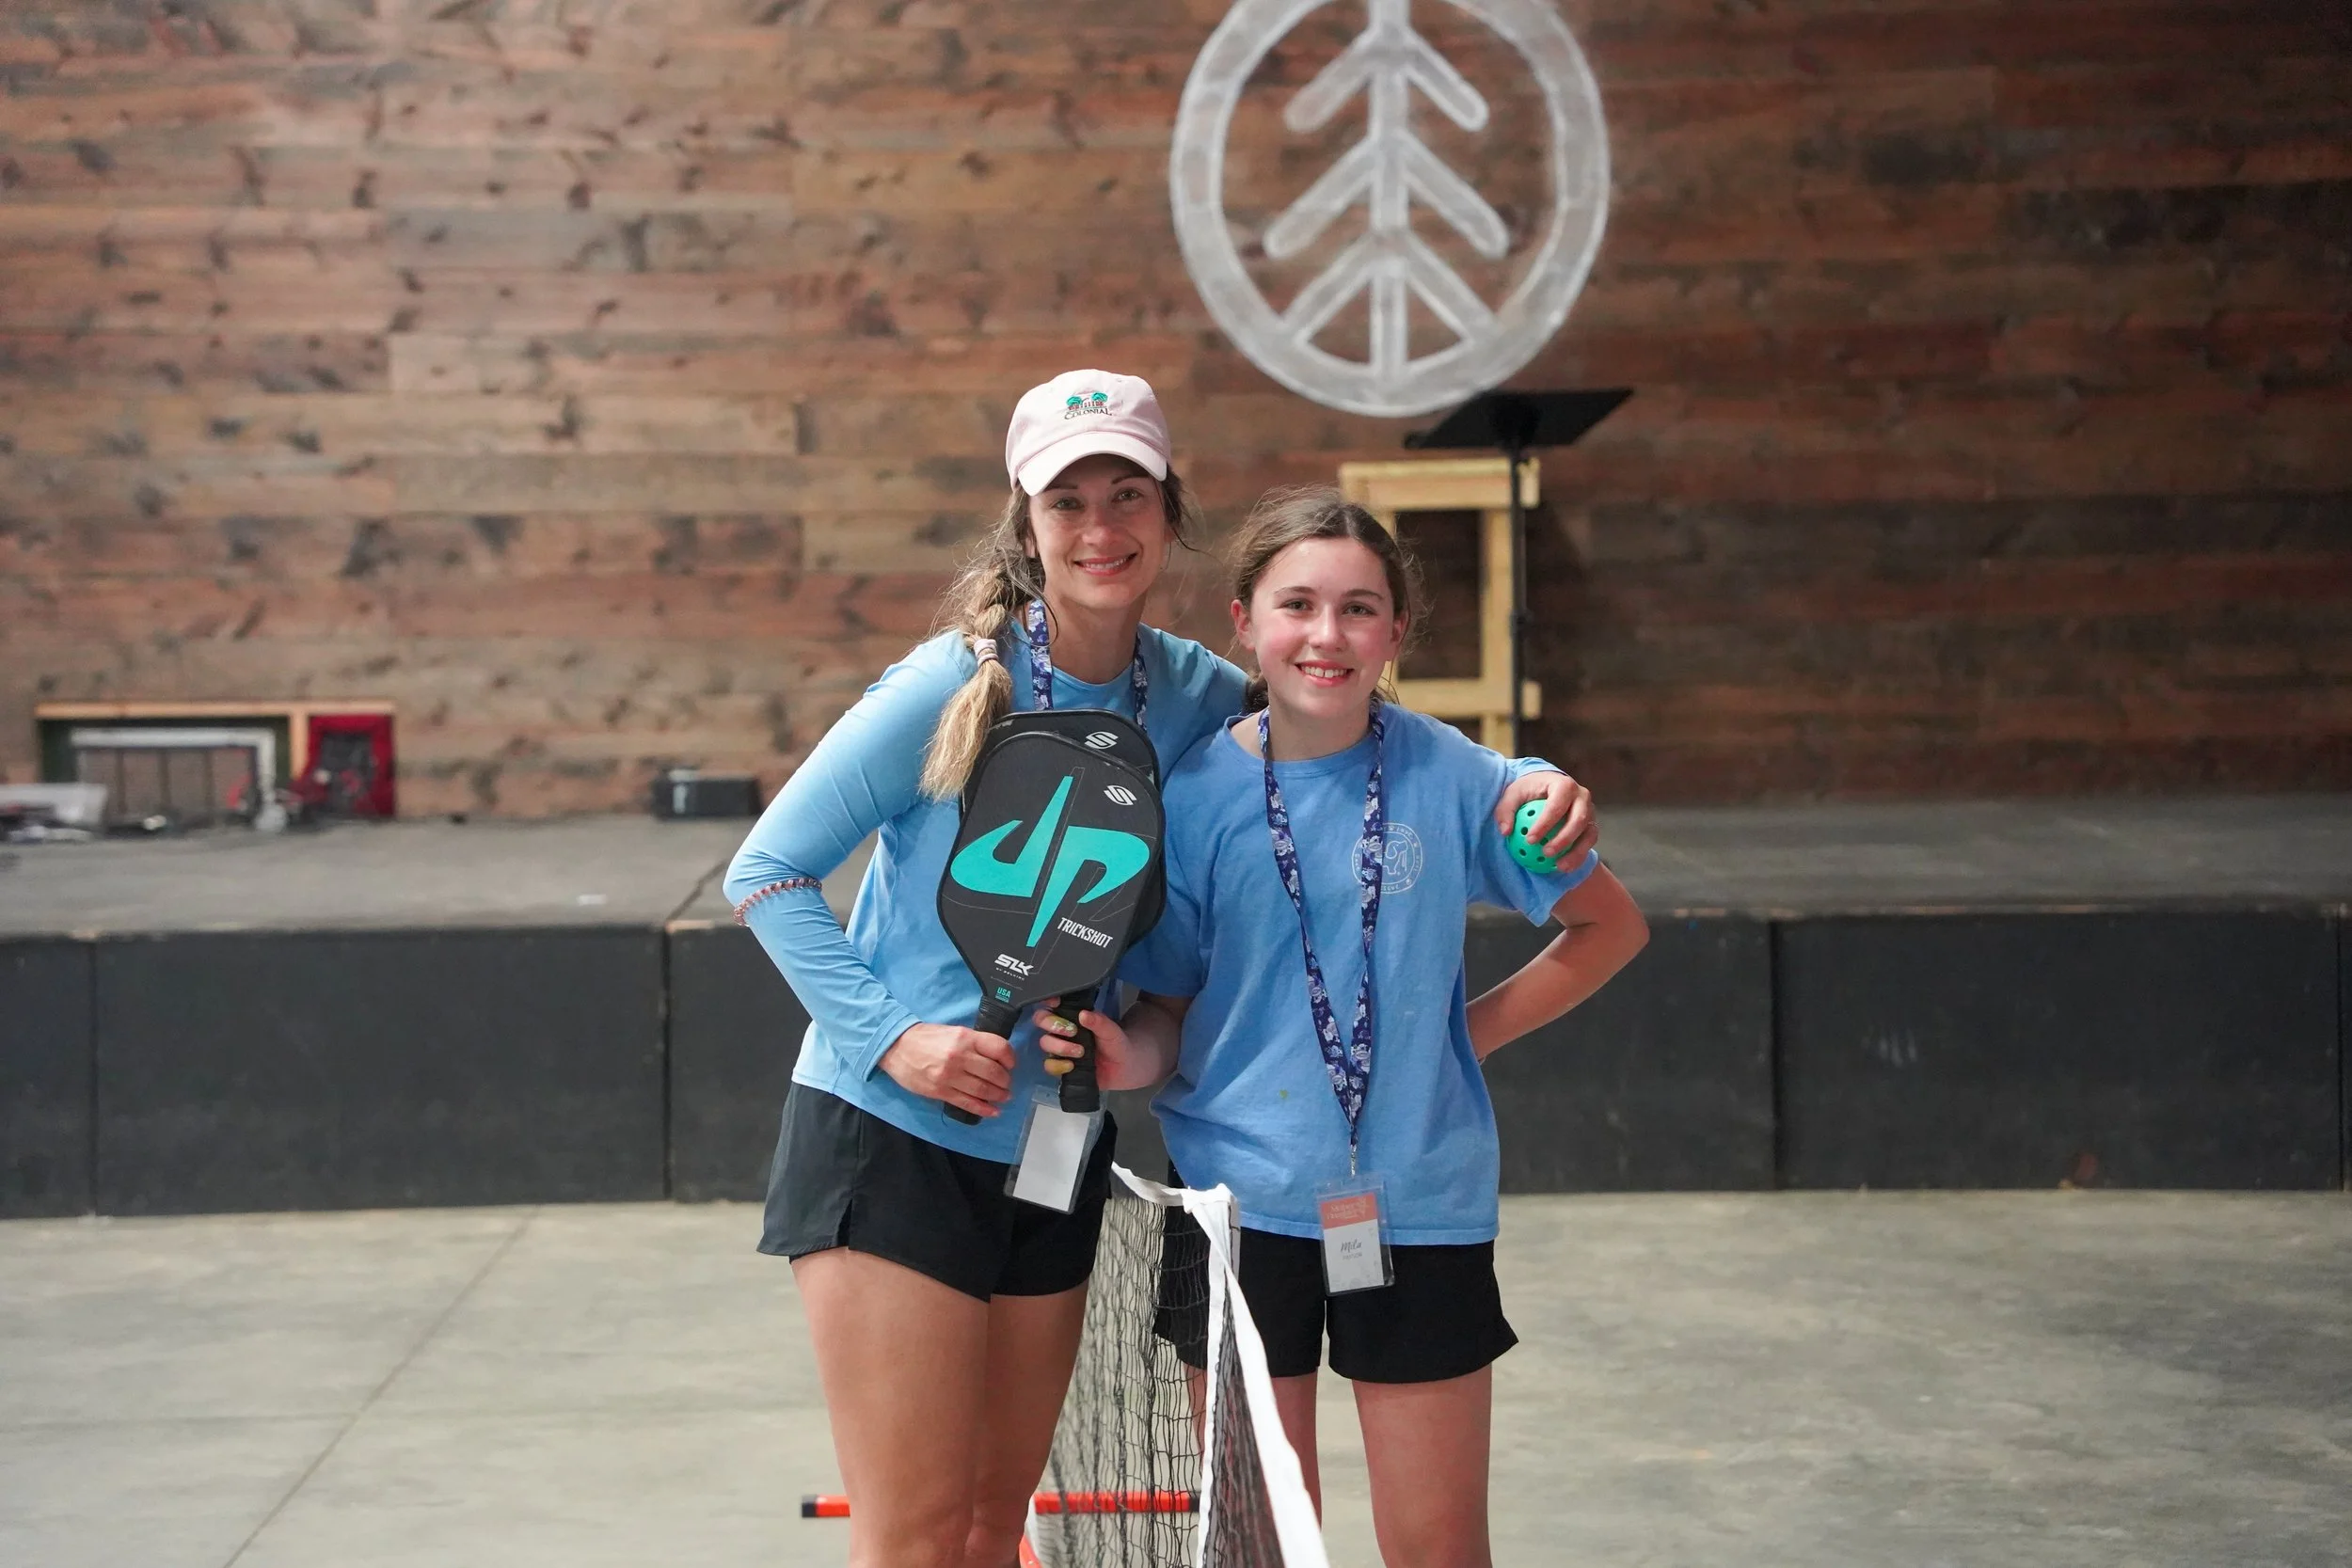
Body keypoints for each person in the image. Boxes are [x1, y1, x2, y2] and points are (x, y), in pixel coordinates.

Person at [723, 376, 1600, 1568]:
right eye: (1067, 499)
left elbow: (1353, 722)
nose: (1099, 527)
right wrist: (894, 1038)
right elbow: (766, 873)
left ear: (1167, 512)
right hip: (893, 1135)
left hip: (1054, 1151)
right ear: (1024, 524)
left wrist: (1533, 781)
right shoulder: (949, 683)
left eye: (1125, 493)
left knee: (993, 1526)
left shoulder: (1192, 694)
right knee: (917, 1536)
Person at [1038, 486, 1650, 1568]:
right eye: (1298, 604)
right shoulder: (1191, 798)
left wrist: (1465, 1039)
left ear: (1397, 631)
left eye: (1360, 608)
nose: (1327, 635)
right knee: (1261, 1542)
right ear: (1244, 620)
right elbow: (1171, 1013)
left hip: (1419, 1203)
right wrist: (1120, 1055)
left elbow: (1608, 926)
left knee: (1439, 1543)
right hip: (1237, 1211)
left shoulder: (1462, 779)